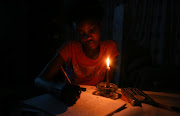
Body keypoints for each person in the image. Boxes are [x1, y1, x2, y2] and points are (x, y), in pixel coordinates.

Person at [34, 3, 120, 106]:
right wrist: (58, 88)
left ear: (100, 25)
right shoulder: (70, 49)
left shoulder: (110, 48)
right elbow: (39, 80)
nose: (86, 38)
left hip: (97, 103)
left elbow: (108, 85)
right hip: (72, 102)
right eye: (81, 33)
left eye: (91, 30)